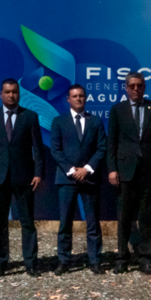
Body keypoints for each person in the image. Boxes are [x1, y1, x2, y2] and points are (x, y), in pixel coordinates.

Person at [0, 78, 44, 278]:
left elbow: (38, 149)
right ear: (1, 94)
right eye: (7, 92)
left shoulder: (30, 116)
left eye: (14, 91)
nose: (11, 95)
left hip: (24, 177)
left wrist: (38, 173)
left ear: (19, 93)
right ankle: (0, 263)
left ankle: (31, 263)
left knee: (27, 223)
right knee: (0, 224)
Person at [107, 72, 151, 275]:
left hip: (149, 170)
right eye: (132, 86)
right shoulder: (117, 110)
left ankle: (146, 258)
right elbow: (112, 142)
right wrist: (112, 169)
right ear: (126, 88)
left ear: (144, 87)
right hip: (125, 170)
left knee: (147, 216)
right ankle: (122, 258)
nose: (136, 89)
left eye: (139, 86)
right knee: (124, 216)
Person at [50, 85, 107, 275]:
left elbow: (101, 148)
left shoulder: (96, 121)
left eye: (81, 96)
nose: (78, 99)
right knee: (65, 222)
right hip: (67, 179)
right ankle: (64, 260)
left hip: (89, 178)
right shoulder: (59, 121)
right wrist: (71, 170)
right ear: (68, 99)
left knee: (92, 222)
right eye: (74, 96)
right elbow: (55, 150)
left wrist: (87, 169)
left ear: (86, 98)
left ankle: (94, 260)